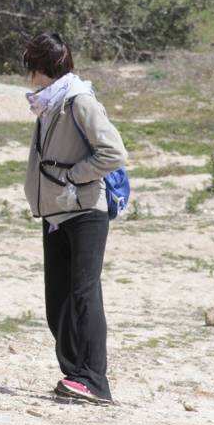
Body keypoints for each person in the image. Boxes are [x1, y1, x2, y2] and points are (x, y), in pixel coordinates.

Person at [22, 32, 127, 404]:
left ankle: (95, 380)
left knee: (84, 295)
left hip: (84, 211)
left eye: (29, 63)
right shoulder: (50, 102)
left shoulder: (77, 100)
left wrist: (72, 177)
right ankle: (75, 373)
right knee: (59, 301)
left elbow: (113, 152)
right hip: (56, 213)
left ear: (40, 66)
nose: (27, 73)